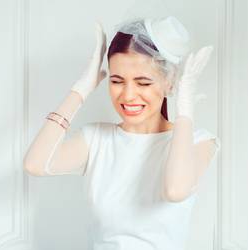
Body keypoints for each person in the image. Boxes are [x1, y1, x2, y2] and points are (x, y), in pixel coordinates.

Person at [23, 16, 221, 250]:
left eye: (143, 83)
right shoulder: (97, 139)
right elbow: (35, 165)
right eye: (117, 81)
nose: (127, 95)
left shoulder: (199, 142)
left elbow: (175, 190)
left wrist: (185, 108)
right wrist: (81, 88)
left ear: (169, 82)